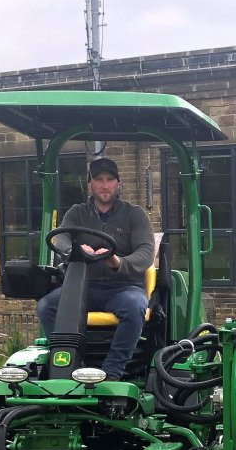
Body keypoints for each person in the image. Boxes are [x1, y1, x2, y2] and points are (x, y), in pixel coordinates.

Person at [36, 157, 155, 379]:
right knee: (47, 306)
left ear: (118, 183)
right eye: (99, 179)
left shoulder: (134, 214)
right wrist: (74, 250)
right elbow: (61, 237)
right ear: (90, 183)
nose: (104, 185)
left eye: (110, 179)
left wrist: (118, 262)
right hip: (84, 287)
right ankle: (71, 360)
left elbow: (146, 253)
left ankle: (112, 370)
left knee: (135, 306)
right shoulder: (77, 213)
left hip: (123, 287)